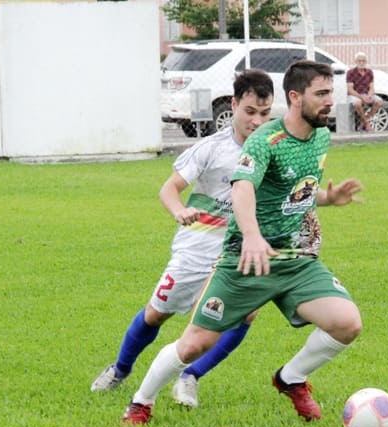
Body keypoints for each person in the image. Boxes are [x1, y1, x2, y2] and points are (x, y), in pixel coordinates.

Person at [122, 60, 364, 426]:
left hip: (294, 258)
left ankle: (290, 378)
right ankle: (141, 402)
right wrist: (251, 235)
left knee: (347, 324)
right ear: (296, 98)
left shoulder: (320, 136)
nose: (331, 101)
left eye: (331, 92)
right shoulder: (264, 141)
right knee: (192, 344)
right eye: (322, 94)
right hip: (243, 259)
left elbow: (290, 195)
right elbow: (244, 188)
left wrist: (328, 200)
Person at [91, 70, 275, 408]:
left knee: (244, 315)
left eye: (265, 114)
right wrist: (178, 211)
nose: (257, 121)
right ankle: (120, 369)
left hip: (238, 250)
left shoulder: (273, 150)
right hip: (197, 247)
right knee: (156, 314)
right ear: (233, 106)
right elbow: (170, 188)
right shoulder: (212, 148)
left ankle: (191, 376)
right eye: (249, 112)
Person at [346, 52, 383, 132]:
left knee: (379, 101)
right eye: (359, 61)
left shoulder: (369, 72)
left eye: (363, 61)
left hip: (366, 94)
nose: (361, 63)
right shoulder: (350, 72)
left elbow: (372, 87)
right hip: (355, 95)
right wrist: (361, 97)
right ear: (355, 62)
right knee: (357, 103)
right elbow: (350, 90)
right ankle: (367, 124)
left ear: (366, 62)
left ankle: (363, 123)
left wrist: (369, 95)